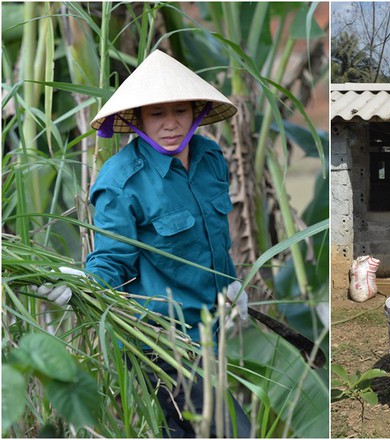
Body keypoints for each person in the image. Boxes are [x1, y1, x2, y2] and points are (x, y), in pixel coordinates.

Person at [35, 49, 251, 438]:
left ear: (196, 112)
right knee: (231, 430)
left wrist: (230, 283)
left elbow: (216, 235)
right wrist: (78, 284)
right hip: (159, 337)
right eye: (157, 114)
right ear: (136, 119)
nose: (170, 124)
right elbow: (111, 260)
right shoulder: (120, 182)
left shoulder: (211, 157)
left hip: (210, 328)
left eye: (179, 111)